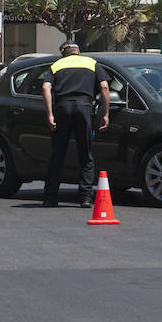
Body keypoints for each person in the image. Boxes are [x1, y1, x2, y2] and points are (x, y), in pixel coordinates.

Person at [41, 40, 110, 208]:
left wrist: (50, 114)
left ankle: (50, 197)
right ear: (78, 51)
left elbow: (45, 87)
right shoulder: (92, 63)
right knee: (85, 153)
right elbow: (105, 87)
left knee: (58, 154)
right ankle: (86, 198)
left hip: (63, 107)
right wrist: (105, 114)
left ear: (63, 52)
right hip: (84, 107)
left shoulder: (57, 65)